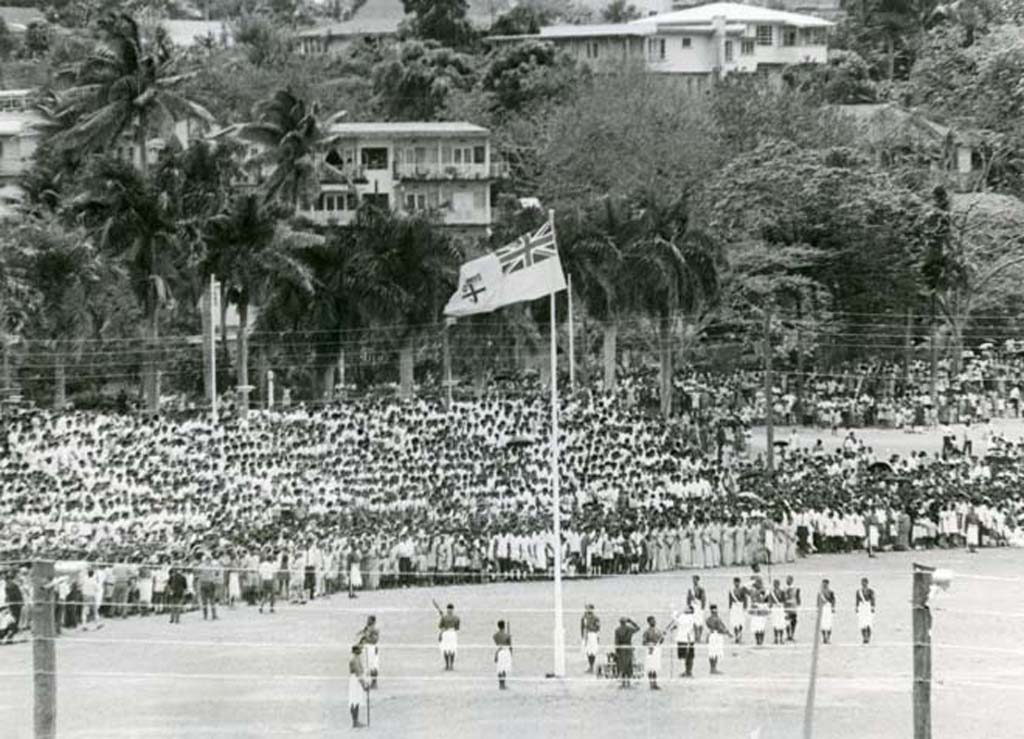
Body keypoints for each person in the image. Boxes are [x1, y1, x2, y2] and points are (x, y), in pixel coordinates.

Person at [613, 617, 640, 688]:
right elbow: (638, 628)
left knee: (622, 665)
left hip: (621, 648)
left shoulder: (617, 630)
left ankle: (623, 682)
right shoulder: (630, 629)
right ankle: (628, 682)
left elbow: (616, 641)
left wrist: (616, 651)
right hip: (628, 647)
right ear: (626, 622)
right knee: (628, 664)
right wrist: (631, 621)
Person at [705, 605, 730, 675]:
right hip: (717, 636)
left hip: (711, 635)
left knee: (712, 652)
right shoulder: (717, 619)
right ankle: (713, 668)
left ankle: (712, 668)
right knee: (715, 652)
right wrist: (728, 633)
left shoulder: (708, 619)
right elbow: (721, 628)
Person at [672, 603, 696, 678]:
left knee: (688, 656)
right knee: (688, 656)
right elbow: (678, 623)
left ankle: (688, 672)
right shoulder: (686, 617)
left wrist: (675, 610)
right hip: (686, 639)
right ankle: (688, 671)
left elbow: (674, 617)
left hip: (686, 639)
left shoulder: (686, 617)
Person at [348, 645, 369, 729]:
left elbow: (361, 671)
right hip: (355, 681)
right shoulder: (354, 659)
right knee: (354, 701)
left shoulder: (357, 658)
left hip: (357, 679)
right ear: (356, 650)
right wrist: (363, 685)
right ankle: (354, 721)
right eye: (360, 649)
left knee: (356, 701)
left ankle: (356, 721)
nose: (361, 650)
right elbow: (358, 673)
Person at [641, 616, 664, 690]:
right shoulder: (647, 632)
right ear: (649, 622)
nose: (654, 622)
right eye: (652, 621)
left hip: (657, 650)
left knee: (655, 667)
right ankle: (651, 684)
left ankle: (655, 683)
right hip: (650, 651)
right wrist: (650, 645)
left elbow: (661, 641)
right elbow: (644, 642)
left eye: (654, 620)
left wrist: (662, 638)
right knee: (650, 667)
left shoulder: (658, 630)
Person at [358, 615, 380, 688]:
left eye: (369, 620)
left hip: (371, 648)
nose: (367, 621)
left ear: (373, 621)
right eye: (367, 620)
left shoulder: (375, 629)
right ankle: (371, 682)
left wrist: (366, 636)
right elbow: (362, 635)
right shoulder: (368, 628)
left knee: (372, 666)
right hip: (368, 648)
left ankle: (373, 683)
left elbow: (374, 640)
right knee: (369, 666)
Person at [580, 603, 601, 674]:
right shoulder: (583, 618)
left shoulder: (596, 618)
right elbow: (582, 627)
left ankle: (592, 666)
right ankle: (590, 666)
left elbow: (598, 628)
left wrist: (590, 627)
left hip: (593, 635)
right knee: (587, 651)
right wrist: (582, 635)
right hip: (586, 635)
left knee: (593, 651)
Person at [438, 603, 460, 671]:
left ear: (447, 609)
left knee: (446, 650)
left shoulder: (444, 617)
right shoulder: (457, 618)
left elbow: (440, 626)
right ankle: (452, 666)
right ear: (453, 610)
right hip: (453, 633)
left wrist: (441, 617)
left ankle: (447, 665)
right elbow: (457, 628)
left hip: (445, 634)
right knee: (452, 650)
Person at [855, 577, 876, 645]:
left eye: (865, 582)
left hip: (868, 607)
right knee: (862, 623)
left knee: (868, 623)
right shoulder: (858, 591)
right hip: (862, 607)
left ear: (867, 583)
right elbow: (857, 600)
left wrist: (873, 607)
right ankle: (864, 637)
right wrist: (857, 607)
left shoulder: (871, 591)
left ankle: (868, 637)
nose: (864, 584)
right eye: (862, 582)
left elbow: (873, 599)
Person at [728, 577, 748, 643]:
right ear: (733, 583)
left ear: (739, 582)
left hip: (740, 606)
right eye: (735, 582)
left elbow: (745, 599)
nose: (736, 583)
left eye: (737, 582)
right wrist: (730, 608)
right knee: (734, 622)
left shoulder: (742, 590)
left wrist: (745, 607)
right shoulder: (731, 590)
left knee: (741, 622)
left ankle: (740, 634)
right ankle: (736, 635)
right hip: (734, 607)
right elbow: (730, 600)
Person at [493, 620, 513, 690]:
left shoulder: (495, 635)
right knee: (504, 668)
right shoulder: (507, 635)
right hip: (505, 651)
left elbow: (497, 643)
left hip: (499, 651)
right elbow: (510, 645)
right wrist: (511, 653)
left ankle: (500, 684)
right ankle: (503, 684)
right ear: (504, 626)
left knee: (499, 668)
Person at [687, 575, 707, 642]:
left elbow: (704, 599)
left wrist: (702, 608)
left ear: (698, 580)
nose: (694, 581)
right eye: (693, 579)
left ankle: (700, 636)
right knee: (693, 622)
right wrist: (689, 606)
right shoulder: (690, 589)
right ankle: (696, 637)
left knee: (700, 622)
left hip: (699, 606)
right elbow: (688, 598)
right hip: (693, 607)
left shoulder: (701, 589)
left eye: (695, 579)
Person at [767, 579, 787, 645]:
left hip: (781, 608)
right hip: (775, 608)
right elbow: (770, 602)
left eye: (777, 584)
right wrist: (770, 606)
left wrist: (782, 605)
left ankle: (781, 638)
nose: (776, 585)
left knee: (781, 624)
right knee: (775, 624)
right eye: (775, 584)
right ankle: (775, 638)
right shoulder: (772, 593)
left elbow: (785, 600)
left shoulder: (782, 592)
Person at [817, 579, 836, 645]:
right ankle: (824, 637)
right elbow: (818, 602)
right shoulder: (820, 593)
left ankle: (828, 637)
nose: (824, 585)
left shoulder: (831, 592)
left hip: (828, 608)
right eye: (823, 584)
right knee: (822, 624)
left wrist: (833, 608)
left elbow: (833, 600)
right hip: (822, 609)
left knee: (829, 624)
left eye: (826, 584)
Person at [784, 575, 801, 642]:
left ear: (792, 580)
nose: (787, 581)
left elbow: (797, 596)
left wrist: (798, 602)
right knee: (787, 621)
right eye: (787, 580)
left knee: (793, 620)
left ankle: (792, 634)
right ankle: (788, 635)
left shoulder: (796, 588)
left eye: (789, 580)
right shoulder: (784, 588)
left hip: (793, 605)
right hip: (787, 606)